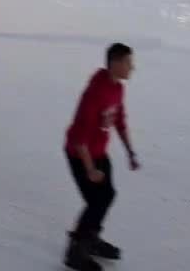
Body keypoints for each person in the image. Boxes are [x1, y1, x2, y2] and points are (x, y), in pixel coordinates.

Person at [63, 43, 139, 271]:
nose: (132, 68)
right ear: (115, 64)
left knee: (106, 196)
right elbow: (79, 138)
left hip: (99, 152)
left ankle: (89, 238)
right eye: (128, 63)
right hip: (79, 154)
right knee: (96, 201)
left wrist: (129, 151)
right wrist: (89, 169)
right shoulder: (94, 93)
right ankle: (75, 251)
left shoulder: (117, 88)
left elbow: (119, 119)